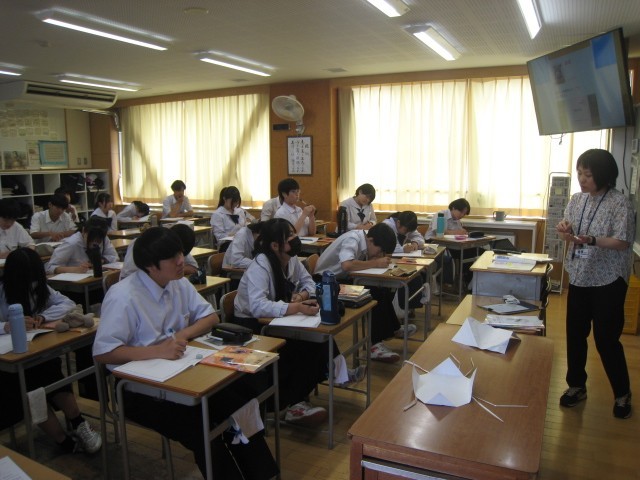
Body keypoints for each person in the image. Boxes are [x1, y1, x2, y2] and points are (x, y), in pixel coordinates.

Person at [93, 227, 278, 478]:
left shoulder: (178, 283)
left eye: (180, 253)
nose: (182, 261)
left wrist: (181, 336)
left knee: (239, 403)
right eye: (172, 258)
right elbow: (104, 353)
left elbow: (210, 317)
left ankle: (264, 475)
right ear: (150, 266)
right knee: (202, 427)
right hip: (138, 390)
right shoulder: (123, 296)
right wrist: (158, 350)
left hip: (183, 373)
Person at [232, 218, 365, 425]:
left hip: (277, 317)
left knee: (318, 337)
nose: (295, 239)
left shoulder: (291, 259)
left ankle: (330, 376)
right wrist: (296, 307)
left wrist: (300, 297)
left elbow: (309, 283)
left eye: (294, 234)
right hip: (253, 326)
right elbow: (258, 307)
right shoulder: (261, 265)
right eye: (290, 237)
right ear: (274, 245)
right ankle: (291, 404)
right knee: (298, 346)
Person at [556, 148, 634, 419]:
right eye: (579, 173)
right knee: (575, 335)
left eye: (587, 175)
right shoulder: (577, 200)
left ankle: (622, 393)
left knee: (606, 340)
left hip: (608, 281)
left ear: (603, 175)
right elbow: (569, 235)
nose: (582, 179)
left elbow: (622, 242)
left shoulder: (619, 203)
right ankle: (576, 386)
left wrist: (591, 239)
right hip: (579, 276)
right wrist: (566, 232)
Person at [0, 248, 102, 454]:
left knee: (48, 371)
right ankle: (62, 438)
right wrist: (6, 326)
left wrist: (43, 317)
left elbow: (67, 303)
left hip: (33, 349)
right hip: (7, 361)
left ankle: (78, 422)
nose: (32, 285)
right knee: (29, 386)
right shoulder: (2, 291)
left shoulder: (39, 286)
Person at [314, 222, 404, 362]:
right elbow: (347, 265)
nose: (379, 255)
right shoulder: (353, 239)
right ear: (371, 240)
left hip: (341, 280)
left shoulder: (366, 240)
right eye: (380, 251)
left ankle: (393, 328)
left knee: (380, 288)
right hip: (325, 285)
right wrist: (375, 263)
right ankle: (375, 345)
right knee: (372, 293)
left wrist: (376, 261)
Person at [382, 211, 425, 319]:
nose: (407, 233)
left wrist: (415, 243)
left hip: (399, 260)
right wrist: (403, 249)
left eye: (409, 231)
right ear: (398, 223)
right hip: (386, 260)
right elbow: (391, 247)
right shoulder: (387, 226)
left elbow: (420, 238)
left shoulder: (407, 225)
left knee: (416, 276)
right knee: (406, 277)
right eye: (406, 230)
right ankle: (402, 308)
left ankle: (409, 308)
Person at [120, 223, 199, 280]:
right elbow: (128, 275)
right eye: (174, 256)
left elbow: (194, 268)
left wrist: (174, 269)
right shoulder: (143, 244)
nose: (181, 261)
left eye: (180, 254)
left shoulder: (179, 246)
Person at [425, 198, 474, 286]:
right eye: (461, 212)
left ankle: (467, 282)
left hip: (450, 244)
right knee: (467, 254)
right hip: (433, 244)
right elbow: (438, 232)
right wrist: (457, 232)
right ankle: (458, 282)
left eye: (464, 214)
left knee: (474, 252)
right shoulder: (440, 215)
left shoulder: (457, 220)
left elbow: (458, 233)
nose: (462, 215)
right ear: (454, 208)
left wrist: (464, 233)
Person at [45, 217, 118, 275]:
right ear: (83, 231)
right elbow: (49, 267)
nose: (93, 243)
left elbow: (114, 257)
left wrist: (101, 261)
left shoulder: (104, 238)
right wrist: (74, 269)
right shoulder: (72, 243)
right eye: (90, 239)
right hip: (73, 284)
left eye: (98, 241)